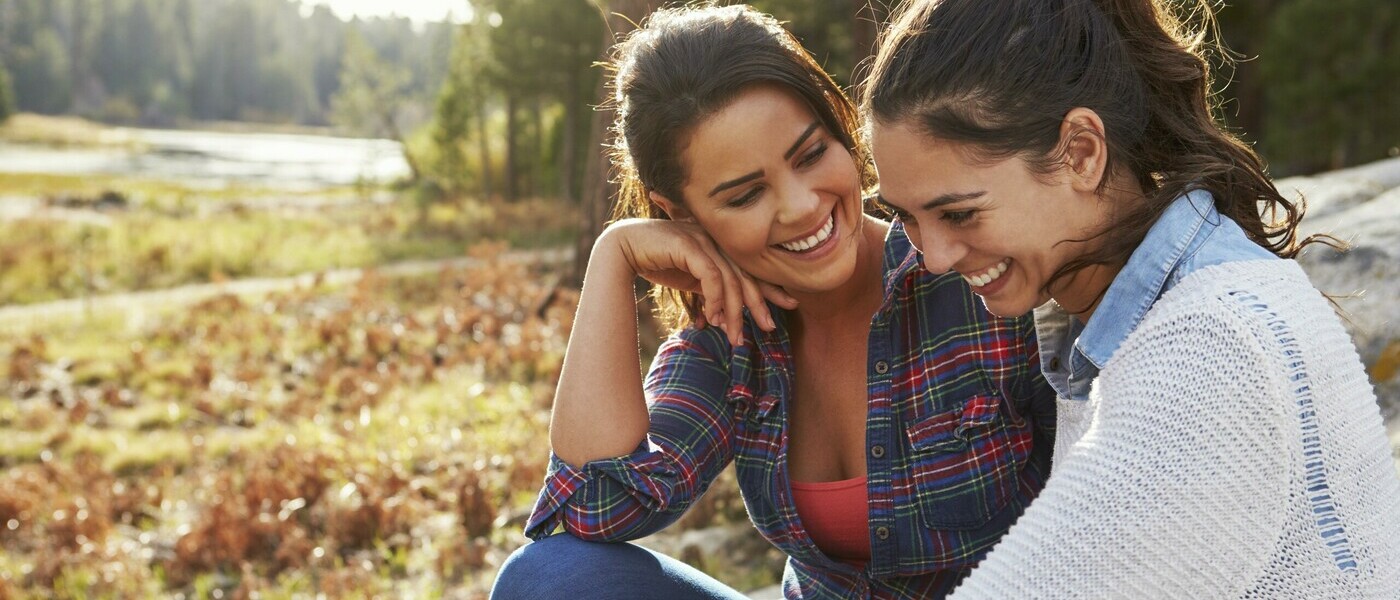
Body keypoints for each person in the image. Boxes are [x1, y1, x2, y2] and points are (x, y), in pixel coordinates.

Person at [490, 4, 1056, 599]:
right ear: (683, 216)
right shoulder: (729, 345)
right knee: (547, 580)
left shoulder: (980, 282)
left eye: (810, 155)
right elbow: (590, 510)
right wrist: (614, 256)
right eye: (745, 195)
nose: (801, 206)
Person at [863, 0, 1400, 597]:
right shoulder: (1120, 304)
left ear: (1081, 153)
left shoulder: (1213, 349)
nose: (932, 258)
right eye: (904, 217)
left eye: (959, 212)